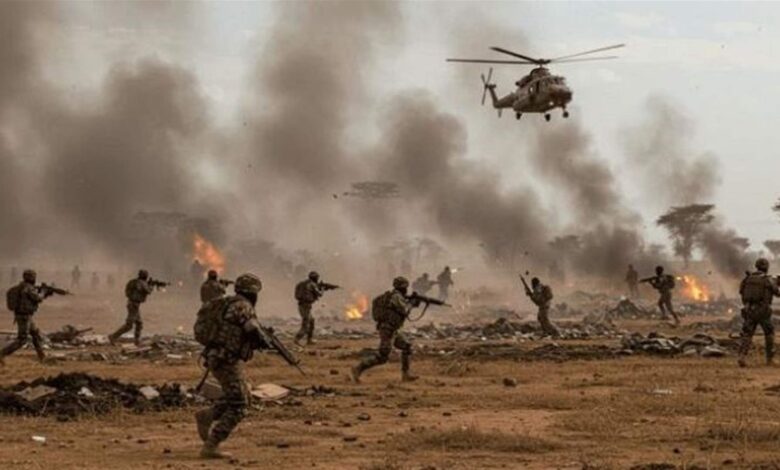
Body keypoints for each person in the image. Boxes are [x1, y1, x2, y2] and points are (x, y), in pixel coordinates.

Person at [195, 273, 266, 459]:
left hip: (218, 357)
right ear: (253, 292)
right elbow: (252, 330)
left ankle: (207, 415)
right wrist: (263, 340)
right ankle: (211, 445)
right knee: (240, 404)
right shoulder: (243, 306)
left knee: (241, 396)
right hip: (226, 359)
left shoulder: (225, 302)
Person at [350, 277, 419, 383]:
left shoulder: (397, 296)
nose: (406, 289)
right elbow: (404, 310)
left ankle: (406, 375)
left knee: (406, 346)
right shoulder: (396, 296)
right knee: (383, 356)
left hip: (394, 330)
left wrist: (411, 302)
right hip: (388, 330)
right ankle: (358, 368)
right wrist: (412, 303)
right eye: (405, 287)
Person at [737, 258, 780, 367]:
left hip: (749, 310)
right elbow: (777, 293)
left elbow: (741, 292)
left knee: (747, 334)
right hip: (763, 311)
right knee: (769, 333)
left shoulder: (747, 279)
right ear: (766, 267)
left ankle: (742, 357)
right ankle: (769, 359)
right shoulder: (768, 280)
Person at [1, 270, 49, 363]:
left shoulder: (22, 287)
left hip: (26, 316)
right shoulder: (28, 288)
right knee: (22, 339)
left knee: (35, 334)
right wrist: (44, 292)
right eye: (33, 277)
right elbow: (38, 298)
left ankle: (42, 357)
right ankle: (2, 354)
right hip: (24, 317)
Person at [109, 270, 154, 346]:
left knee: (139, 323)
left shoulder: (134, 282)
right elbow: (148, 291)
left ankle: (137, 341)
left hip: (132, 304)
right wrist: (151, 285)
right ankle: (113, 336)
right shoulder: (141, 283)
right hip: (134, 305)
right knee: (129, 325)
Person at [293, 271, 323, 346]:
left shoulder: (301, 283)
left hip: (302, 306)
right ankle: (297, 339)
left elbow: (296, 295)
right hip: (305, 306)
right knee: (306, 325)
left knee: (312, 321)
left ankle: (309, 340)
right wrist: (322, 289)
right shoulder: (312, 284)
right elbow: (319, 294)